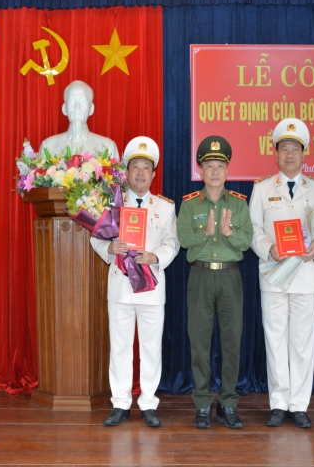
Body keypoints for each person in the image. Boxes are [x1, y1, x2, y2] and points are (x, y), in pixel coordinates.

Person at [248, 118, 314, 429]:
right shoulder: (261, 188)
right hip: (273, 274)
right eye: (284, 149)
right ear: (276, 154)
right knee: (274, 341)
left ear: (303, 154)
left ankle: (299, 405)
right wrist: (269, 248)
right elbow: (253, 229)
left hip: (306, 275)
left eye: (294, 149)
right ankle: (278, 403)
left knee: (301, 343)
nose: (289, 154)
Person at [90, 136, 179, 428]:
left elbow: (173, 243)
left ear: (153, 174)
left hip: (152, 288)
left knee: (151, 348)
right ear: (127, 172)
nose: (140, 173)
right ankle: (121, 403)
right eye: (135, 167)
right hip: (121, 287)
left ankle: (149, 403)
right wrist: (109, 248)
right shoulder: (112, 202)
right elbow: (95, 238)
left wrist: (155, 257)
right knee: (120, 348)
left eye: (146, 168)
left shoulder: (165, 207)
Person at [176, 136, 253, 429]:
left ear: (227, 169)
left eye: (220, 165)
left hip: (230, 277)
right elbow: (184, 239)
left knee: (232, 342)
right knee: (199, 343)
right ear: (201, 171)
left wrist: (229, 232)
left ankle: (228, 403)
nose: (215, 171)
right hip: (201, 276)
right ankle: (203, 404)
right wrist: (206, 233)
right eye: (209, 166)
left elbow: (246, 241)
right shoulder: (188, 204)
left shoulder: (239, 204)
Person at [38, 80, 119, 161]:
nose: (77, 106)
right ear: (64, 108)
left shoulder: (107, 147)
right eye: (72, 100)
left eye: (83, 100)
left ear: (91, 109)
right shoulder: (48, 146)